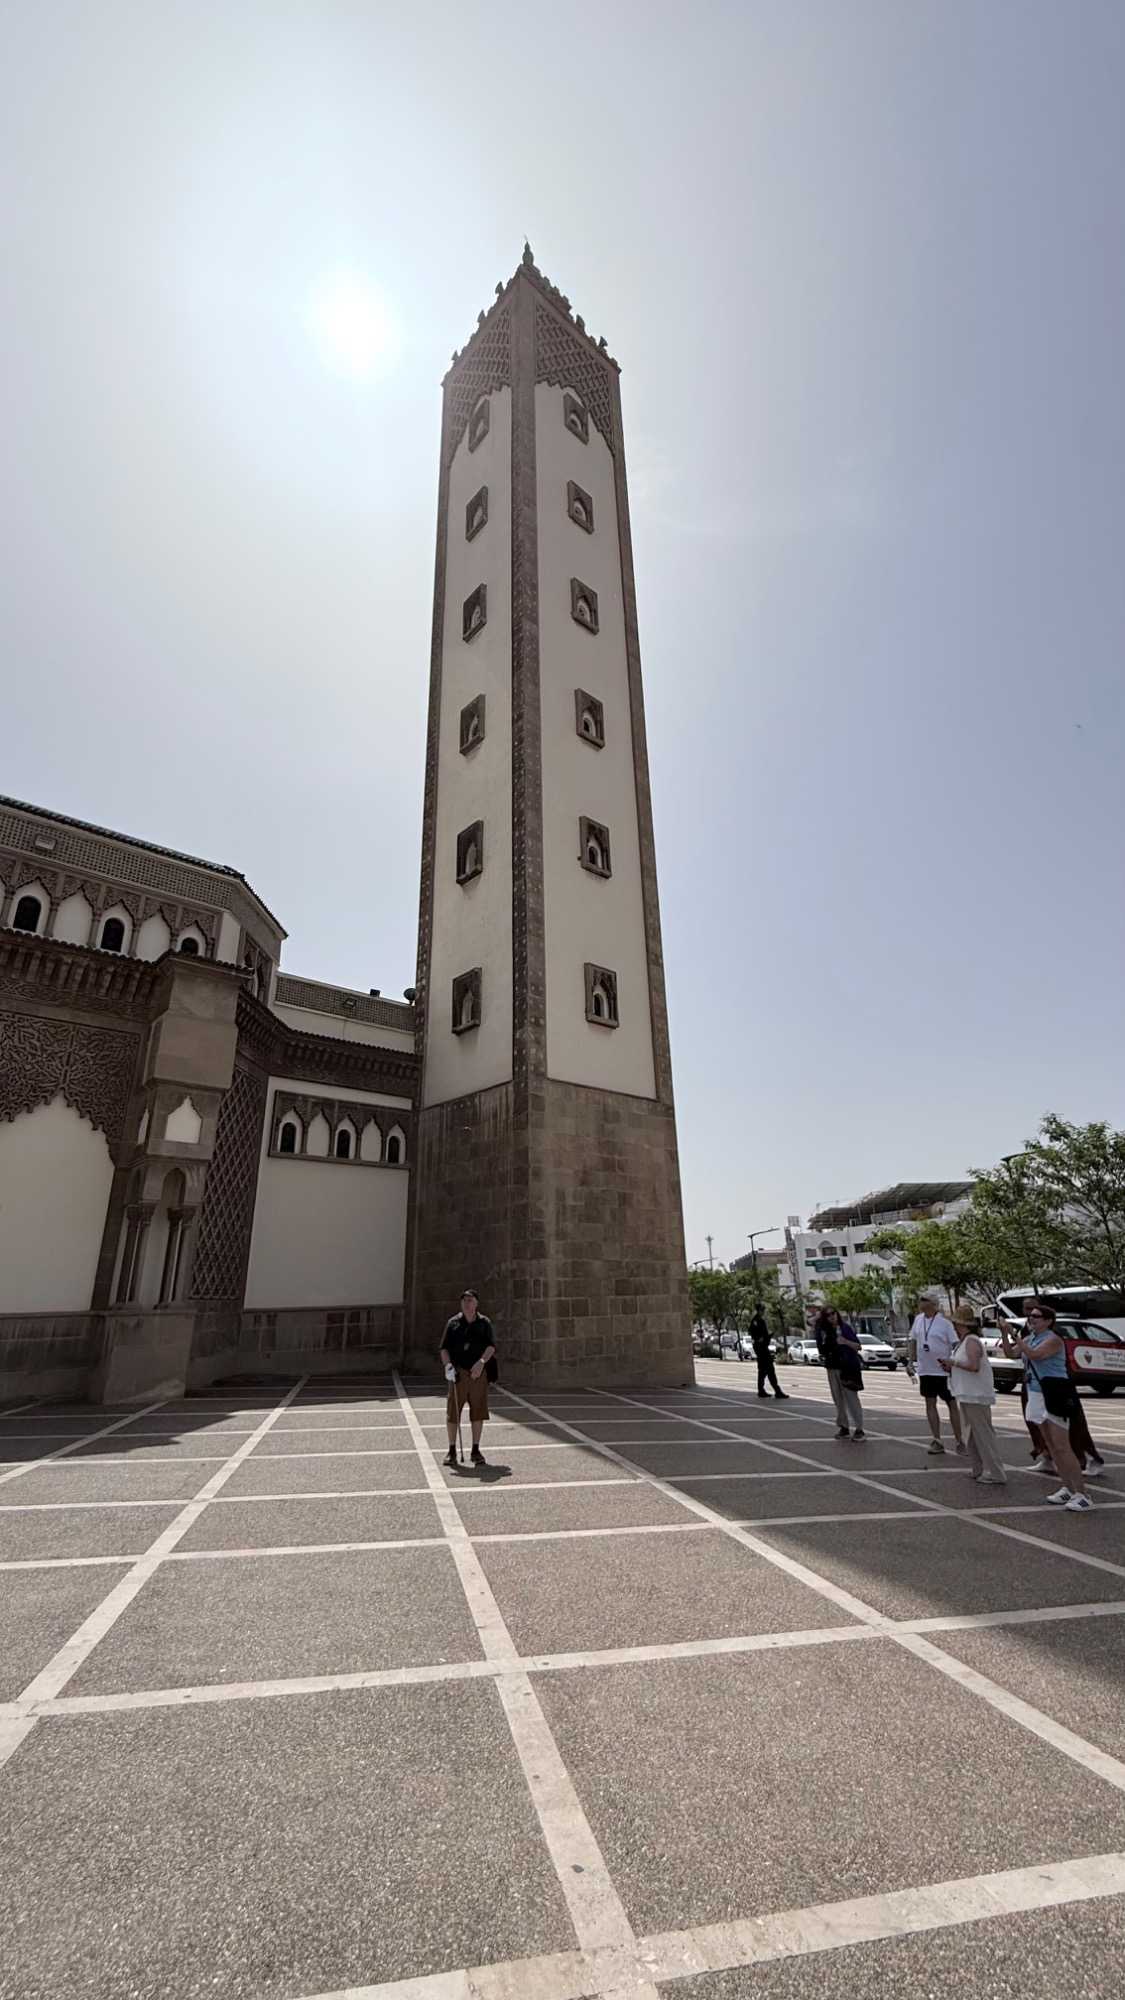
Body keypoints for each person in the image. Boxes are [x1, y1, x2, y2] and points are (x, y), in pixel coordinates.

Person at [1002, 1301, 1092, 1510]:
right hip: (1035, 1393)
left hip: (1054, 1394)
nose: (1031, 1319)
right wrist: (1005, 1334)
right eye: (1030, 1316)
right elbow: (1011, 1354)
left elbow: (1036, 1355)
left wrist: (1015, 1335)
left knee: (1062, 1446)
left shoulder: (1053, 1340)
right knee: (1051, 1445)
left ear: (1048, 1321)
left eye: (1036, 1316)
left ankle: (1083, 1494)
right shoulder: (1030, 1338)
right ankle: (1067, 1488)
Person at [1011, 1296, 1107, 1481]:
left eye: (1034, 1311)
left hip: (1055, 1386)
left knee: (1072, 1426)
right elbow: (1014, 1352)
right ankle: (1046, 1455)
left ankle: (1087, 1459)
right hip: (1033, 1384)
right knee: (1036, 1424)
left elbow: (1037, 1354)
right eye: (1027, 1310)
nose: (1030, 1315)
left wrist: (1019, 1340)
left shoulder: (1052, 1335)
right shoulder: (1028, 1332)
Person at [946, 1303, 1006, 1485]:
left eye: (955, 1324)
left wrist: (953, 1363)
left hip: (975, 1395)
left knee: (983, 1434)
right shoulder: (964, 1341)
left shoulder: (971, 1341)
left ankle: (996, 1472)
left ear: (961, 1324)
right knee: (971, 1434)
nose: (954, 1327)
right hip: (966, 1393)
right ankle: (977, 1468)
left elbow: (974, 1366)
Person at [440, 1288, 496, 1468]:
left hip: (477, 1374)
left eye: (470, 1300)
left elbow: (490, 1347)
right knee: (453, 1412)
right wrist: (448, 1366)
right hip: (458, 1373)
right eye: (464, 1300)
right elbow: (444, 1348)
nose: (466, 1303)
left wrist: (481, 1362)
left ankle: (475, 1450)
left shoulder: (484, 1323)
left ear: (476, 1303)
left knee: (478, 1412)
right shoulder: (453, 1323)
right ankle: (451, 1450)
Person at [908, 1294, 965, 1456]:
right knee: (930, 1403)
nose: (921, 1302)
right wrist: (910, 1362)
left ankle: (960, 1441)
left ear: (933, 1304)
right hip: (925, 1370)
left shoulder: (945, 1323)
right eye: (921, 1300)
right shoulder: (918, 1319)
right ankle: (937, 1440)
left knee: (951, 1404)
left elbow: (956, 1344)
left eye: (924, 1300)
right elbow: (913, 1340)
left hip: (943, 1371)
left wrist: (953, 1361)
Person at [814, 1307, 864, 1438]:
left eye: (833, 1313)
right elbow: (821, 1348)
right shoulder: (824, 1331)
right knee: (838, 1399)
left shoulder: (844, 1328)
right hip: (832, 1367)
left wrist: (845, 1341)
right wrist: (818, 1322)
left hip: (847, 1367)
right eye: (828, 1315)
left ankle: (859, 1428)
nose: (832, 1316)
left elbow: (858, 1346)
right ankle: (844, 1426)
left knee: (851, 1398)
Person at [750, 1308, 789, 1400]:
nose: (763, 1312)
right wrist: (759, 1338)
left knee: (763, 1371)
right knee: (769, 1369)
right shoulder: (756, 1321)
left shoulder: (759, 1320)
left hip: (762, 1347)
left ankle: (762, 1390)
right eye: (762, 1310)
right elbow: (754, 1333)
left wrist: (768, 1336)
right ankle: (776, 1391)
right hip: (761, 1348)